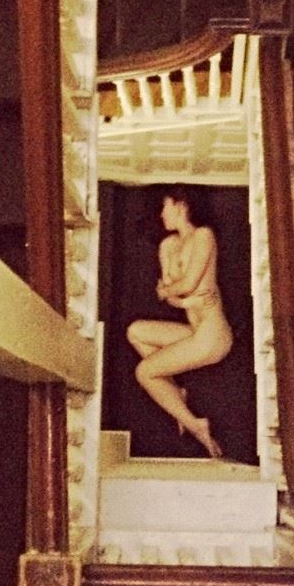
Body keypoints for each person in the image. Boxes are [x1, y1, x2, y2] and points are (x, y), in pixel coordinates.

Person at [126, 187, 232, 459]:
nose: (162, 214)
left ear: (181, 205)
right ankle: (175, 392)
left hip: (212, 335)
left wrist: (177, 293)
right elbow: (166, 293)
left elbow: (187, 283)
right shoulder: (167, 245)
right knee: (135, 331)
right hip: (194, 330)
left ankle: (196, 424)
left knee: (145, 372)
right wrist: (187, 301)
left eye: (165, 207)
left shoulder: (203, 236)